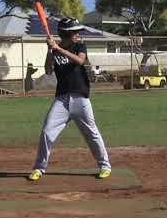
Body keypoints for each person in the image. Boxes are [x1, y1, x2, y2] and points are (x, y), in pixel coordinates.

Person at [28, 17, 112, 181]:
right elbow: (48, 70)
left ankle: (104, 166)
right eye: (74, 32)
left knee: (91, 133)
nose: (77, 35)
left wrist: (58, 48)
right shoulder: (54, 49)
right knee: (47, 132)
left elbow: (80, 60)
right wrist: (49, 50)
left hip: (80, 98)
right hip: (62, 99)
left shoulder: (79, 45)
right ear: (65, 33)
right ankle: (39, 168)